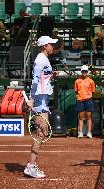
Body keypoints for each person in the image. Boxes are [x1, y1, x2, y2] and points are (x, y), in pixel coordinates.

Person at [24, 36, 58, 178]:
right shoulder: (40, 60)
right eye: (51, 44)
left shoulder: (44, 59)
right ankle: (31, 166)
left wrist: (51, 76)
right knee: (41, 132)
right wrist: (31, 100)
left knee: (42, 132)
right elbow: (35, 81)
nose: (53, 46)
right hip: (38, 100)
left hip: (43, 98)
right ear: (45, 46)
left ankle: (31, 165)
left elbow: (43, 78)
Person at [74, 65, 95, 139]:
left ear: (87, 72)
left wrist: (88, 97)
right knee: (81, 117)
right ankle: (80, 133)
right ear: (81, 71)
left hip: (88, 100)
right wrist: (79, 98)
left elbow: (93, 91)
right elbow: (76, 91)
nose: (84, 72)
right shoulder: (77, 81)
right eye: (83, 71)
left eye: (85, 71)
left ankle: (89, 133)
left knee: (89, 117)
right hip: (80, 100)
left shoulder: (91, 81)